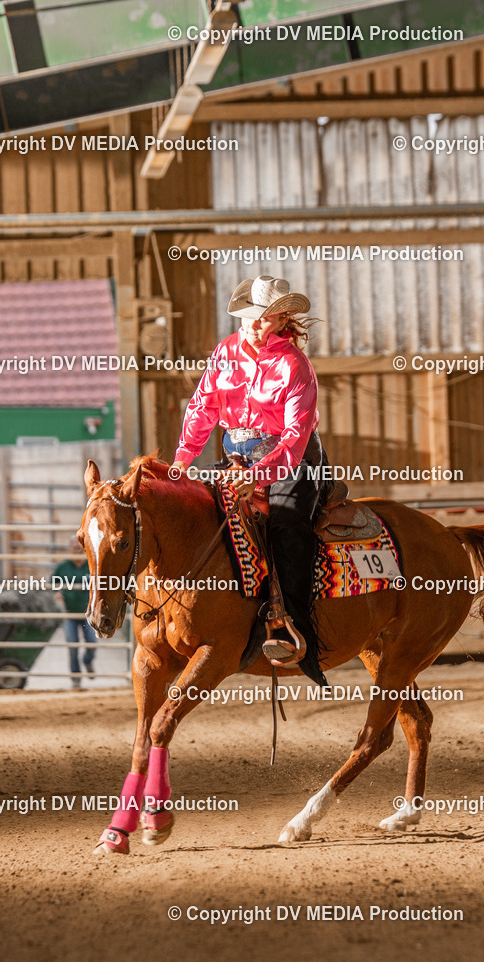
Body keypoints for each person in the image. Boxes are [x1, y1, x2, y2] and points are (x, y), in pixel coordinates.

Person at [171, 274, 328, 688]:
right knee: (199, 515)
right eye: (251, 316)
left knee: (287, 526)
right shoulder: (225, 352)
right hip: (237, 460)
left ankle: (292, 628)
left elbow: (294, 438)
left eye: (267, 318)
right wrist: (183, 460)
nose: (256, 324)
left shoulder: (294, 365)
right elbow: (203, 407)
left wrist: (258, 475)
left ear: (282, 319)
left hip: (292, 464)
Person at [52, 535, 96, 689]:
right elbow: (52, 585)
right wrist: (57, 593)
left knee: (92, 642)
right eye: (74, 548)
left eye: (80, 549)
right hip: (69, 613)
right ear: (69, 549)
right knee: (73, 645)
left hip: (88, 613)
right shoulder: (62, 567)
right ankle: (76, 677)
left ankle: (88, 661)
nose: (77, 551)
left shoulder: (91, 566)